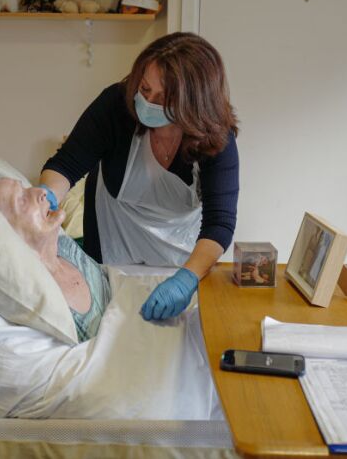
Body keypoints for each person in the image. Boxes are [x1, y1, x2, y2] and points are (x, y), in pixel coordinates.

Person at [39, 32, 240, 321]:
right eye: (145, 89)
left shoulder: (216, 139)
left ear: (192, 104)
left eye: (163, 98)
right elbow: (65, 165)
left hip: (181, 256)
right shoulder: (115, 106)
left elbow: (219, 224)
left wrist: (187, 279)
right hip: (112, 239)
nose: (148, 101)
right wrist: (47, 196)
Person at [0, 173, 111, 342]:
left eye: (26, 189)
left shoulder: (66, 247)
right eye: (22, 200)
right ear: (7, 235)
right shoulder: (33, 296)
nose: (42, 192)